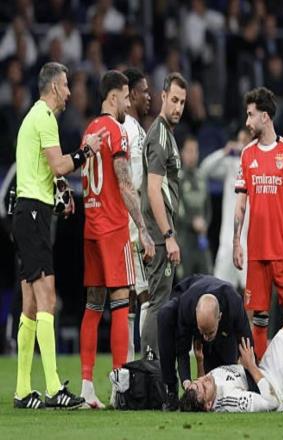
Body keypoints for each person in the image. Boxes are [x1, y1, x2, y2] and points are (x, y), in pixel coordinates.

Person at [12, 62, 102, 409]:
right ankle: (53, 389)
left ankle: (22, 391)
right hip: (33, 214)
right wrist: (86, 149)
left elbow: (45, 170)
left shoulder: (33, 117)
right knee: (47, 299)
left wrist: (59, 189)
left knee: (31, 305)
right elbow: (59, 164)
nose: (68, 92)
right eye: (65, 86)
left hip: (27, 212)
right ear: (53, 88)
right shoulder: (46, 118)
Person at [79, 70, 155, 408]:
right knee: (122, 304)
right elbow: (125, 183)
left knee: (93, 306)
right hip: (113, 227)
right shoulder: (115, 131)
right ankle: (119, 385)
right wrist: (143, 229)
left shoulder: (90, 130)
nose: (128, 103)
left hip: (91, 226)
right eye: (125, 97)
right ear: (113, 97)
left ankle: (86, 387)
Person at [233, 87, 283, 361]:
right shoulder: (247, 154)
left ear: (265, 116)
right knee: (259, 319)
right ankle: (260, 374)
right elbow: (241, 204)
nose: (247, 121)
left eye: (251, 115)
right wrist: (236, 242)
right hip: (257, 252)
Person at [140, 72, 187, 356]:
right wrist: (168, 235)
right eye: (174, 100)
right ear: (163, 97)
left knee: (160, 299)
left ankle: (152, 364)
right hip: (159, 234)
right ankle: (149, 368)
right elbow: (154, 189)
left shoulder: (166, 134)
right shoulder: (159, 136)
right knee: (158, 301)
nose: (178, 107)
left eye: (182, 102)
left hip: (161, 232)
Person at [156, 274, 253, 410]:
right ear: (196, 315)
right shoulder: (187, 307)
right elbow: (182, 349)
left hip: (224, 320)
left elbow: (247, 344)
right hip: (188, 294)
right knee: (165, 315)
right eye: (202, 332)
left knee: (222, 372)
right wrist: (186, 381)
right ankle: (170, 390)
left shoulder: (233, 304)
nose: (205, 338)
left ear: (220, 317)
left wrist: (254, 383)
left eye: (209, 333)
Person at [122, 68, 151, 361]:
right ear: (131, 94)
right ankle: (147, 363)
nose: (149, 96)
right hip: (133, 223)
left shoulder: (131, 128)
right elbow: (133, 181)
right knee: (145, 294)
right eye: (144, 91)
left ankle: (128, 367)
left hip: (127, 222)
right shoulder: (131, 130)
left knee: (129, 296)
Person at [199, 128, 251, 290]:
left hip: (249, 243)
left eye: (245, 141)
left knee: (250, 292)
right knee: (219, 290)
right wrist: (224, 151)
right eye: (239, 141)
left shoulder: (260, 170)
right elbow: (204, 169)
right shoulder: (231, 166)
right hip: (227, 242)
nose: (241, 145)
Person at [177, 136, 212, 278]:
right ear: (182, 153)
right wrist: (192, 222)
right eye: (189, 151)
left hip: (202, 240)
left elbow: (208, 208)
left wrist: (205, 223)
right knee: (186, 283)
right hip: (184, 240)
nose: (193, 155)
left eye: (195, 151)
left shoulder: (201, 177)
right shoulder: (177, 179)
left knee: (207, 280)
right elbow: (176, 211)